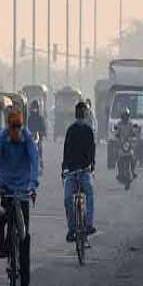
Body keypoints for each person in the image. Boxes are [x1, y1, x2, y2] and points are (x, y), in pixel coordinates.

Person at [0, 109, 39, 286]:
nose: (16, 131)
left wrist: (33, 185)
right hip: (6, 187)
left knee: (24, 238)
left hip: (24, 189)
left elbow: (35, 162)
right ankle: (1, 245)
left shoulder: (28, 140)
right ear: (8, 127)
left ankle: (24, 285)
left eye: (19, 127)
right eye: (13, 127)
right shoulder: (1, 139)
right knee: (0, 214)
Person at [62, 101, 96, 242]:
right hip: (71, 172)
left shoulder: (89, 131)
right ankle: (71, 230)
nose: (81, 115)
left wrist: (91, 165)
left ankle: (88, 224)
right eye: (80, 112)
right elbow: (66, 151)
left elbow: (92, 152)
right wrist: (64, 168)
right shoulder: (71, 130)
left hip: (84, 171)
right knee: (67, 198)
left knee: (89, 193)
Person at [114, 108, 138, 178]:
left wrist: (133, 137)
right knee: (118, 157)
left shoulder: (131, 123)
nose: (126, 117)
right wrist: (117, 137)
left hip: (128, 144)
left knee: (133, 157)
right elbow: (116, 132)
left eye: (127, 115)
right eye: (124, 115)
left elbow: (134, 132)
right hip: (121, 144)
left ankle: (133, 172)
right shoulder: (119, 124)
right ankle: (119, 172)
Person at [27, 100, 46, 171]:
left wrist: (42, 133)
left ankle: (40, 162)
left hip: (38, 137)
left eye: (35, 108)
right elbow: (27, 127)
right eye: (33, 108)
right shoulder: (29, 118)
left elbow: (43, 128)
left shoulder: (40, 118)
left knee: (40, 149)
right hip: (30, 137)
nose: (34, 110)